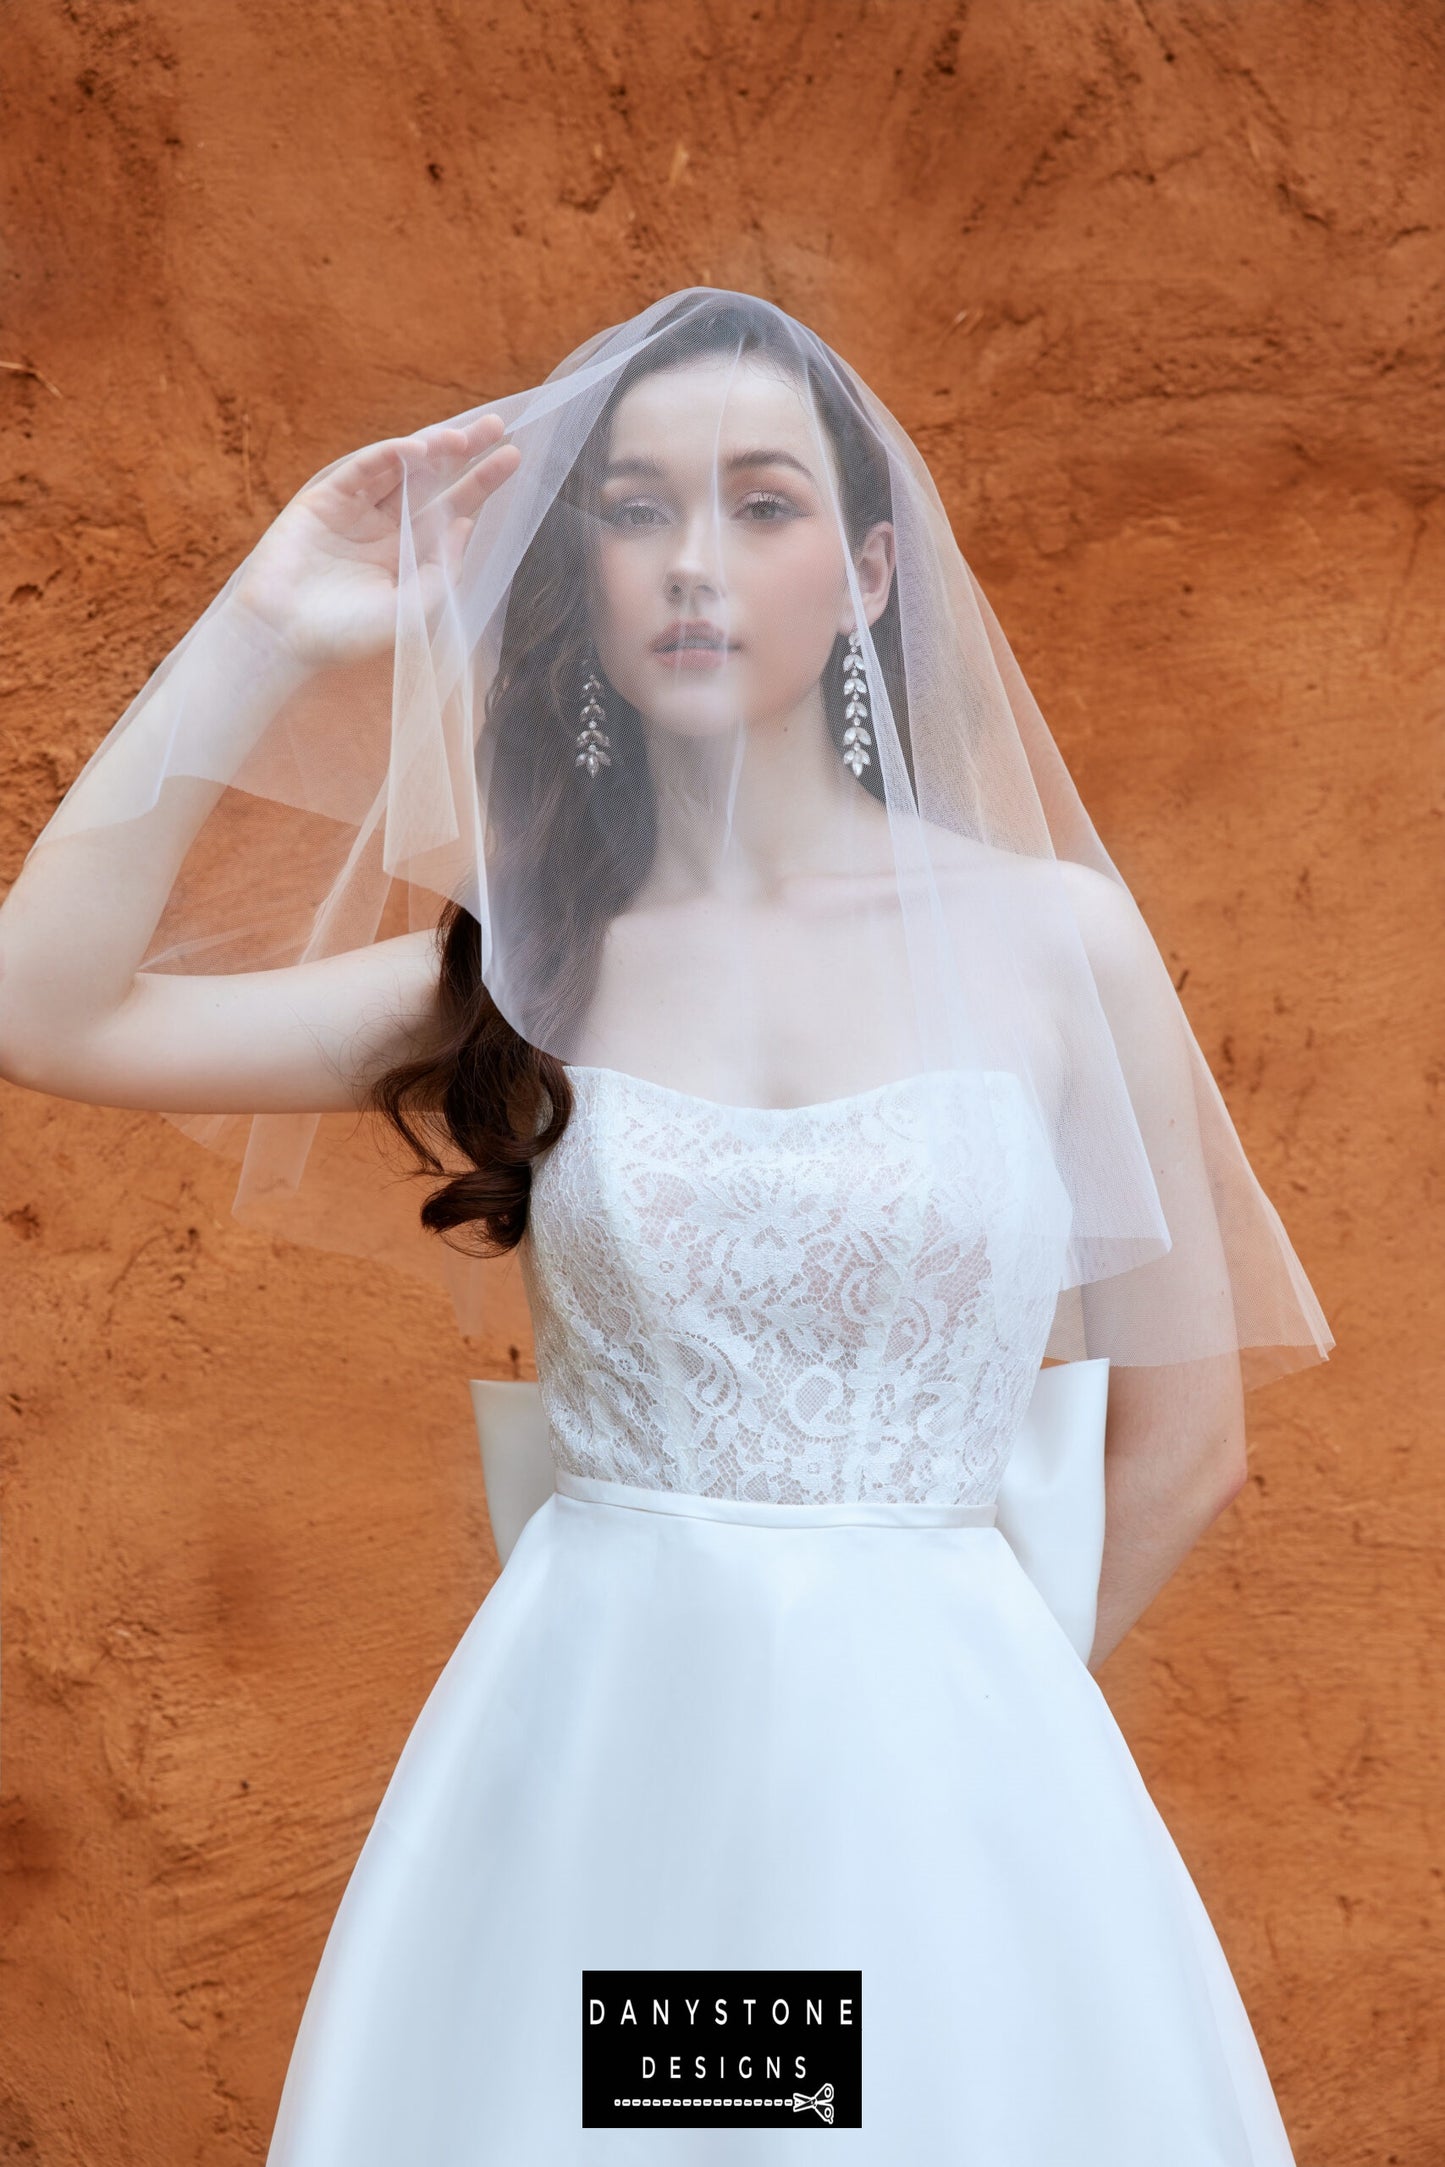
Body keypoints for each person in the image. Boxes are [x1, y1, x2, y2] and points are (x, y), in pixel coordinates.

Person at [0, 289, 1332, 2160]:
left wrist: (929, 1767)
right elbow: (36, 1008)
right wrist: (268, 624)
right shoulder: (524, 973)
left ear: (868, 570)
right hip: (591, 1770)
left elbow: (1182, 1445)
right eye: (635, 509)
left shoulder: (1052, 947)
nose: (695, 563)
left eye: (763, 504)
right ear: (587, 570)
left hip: (951, 1778)